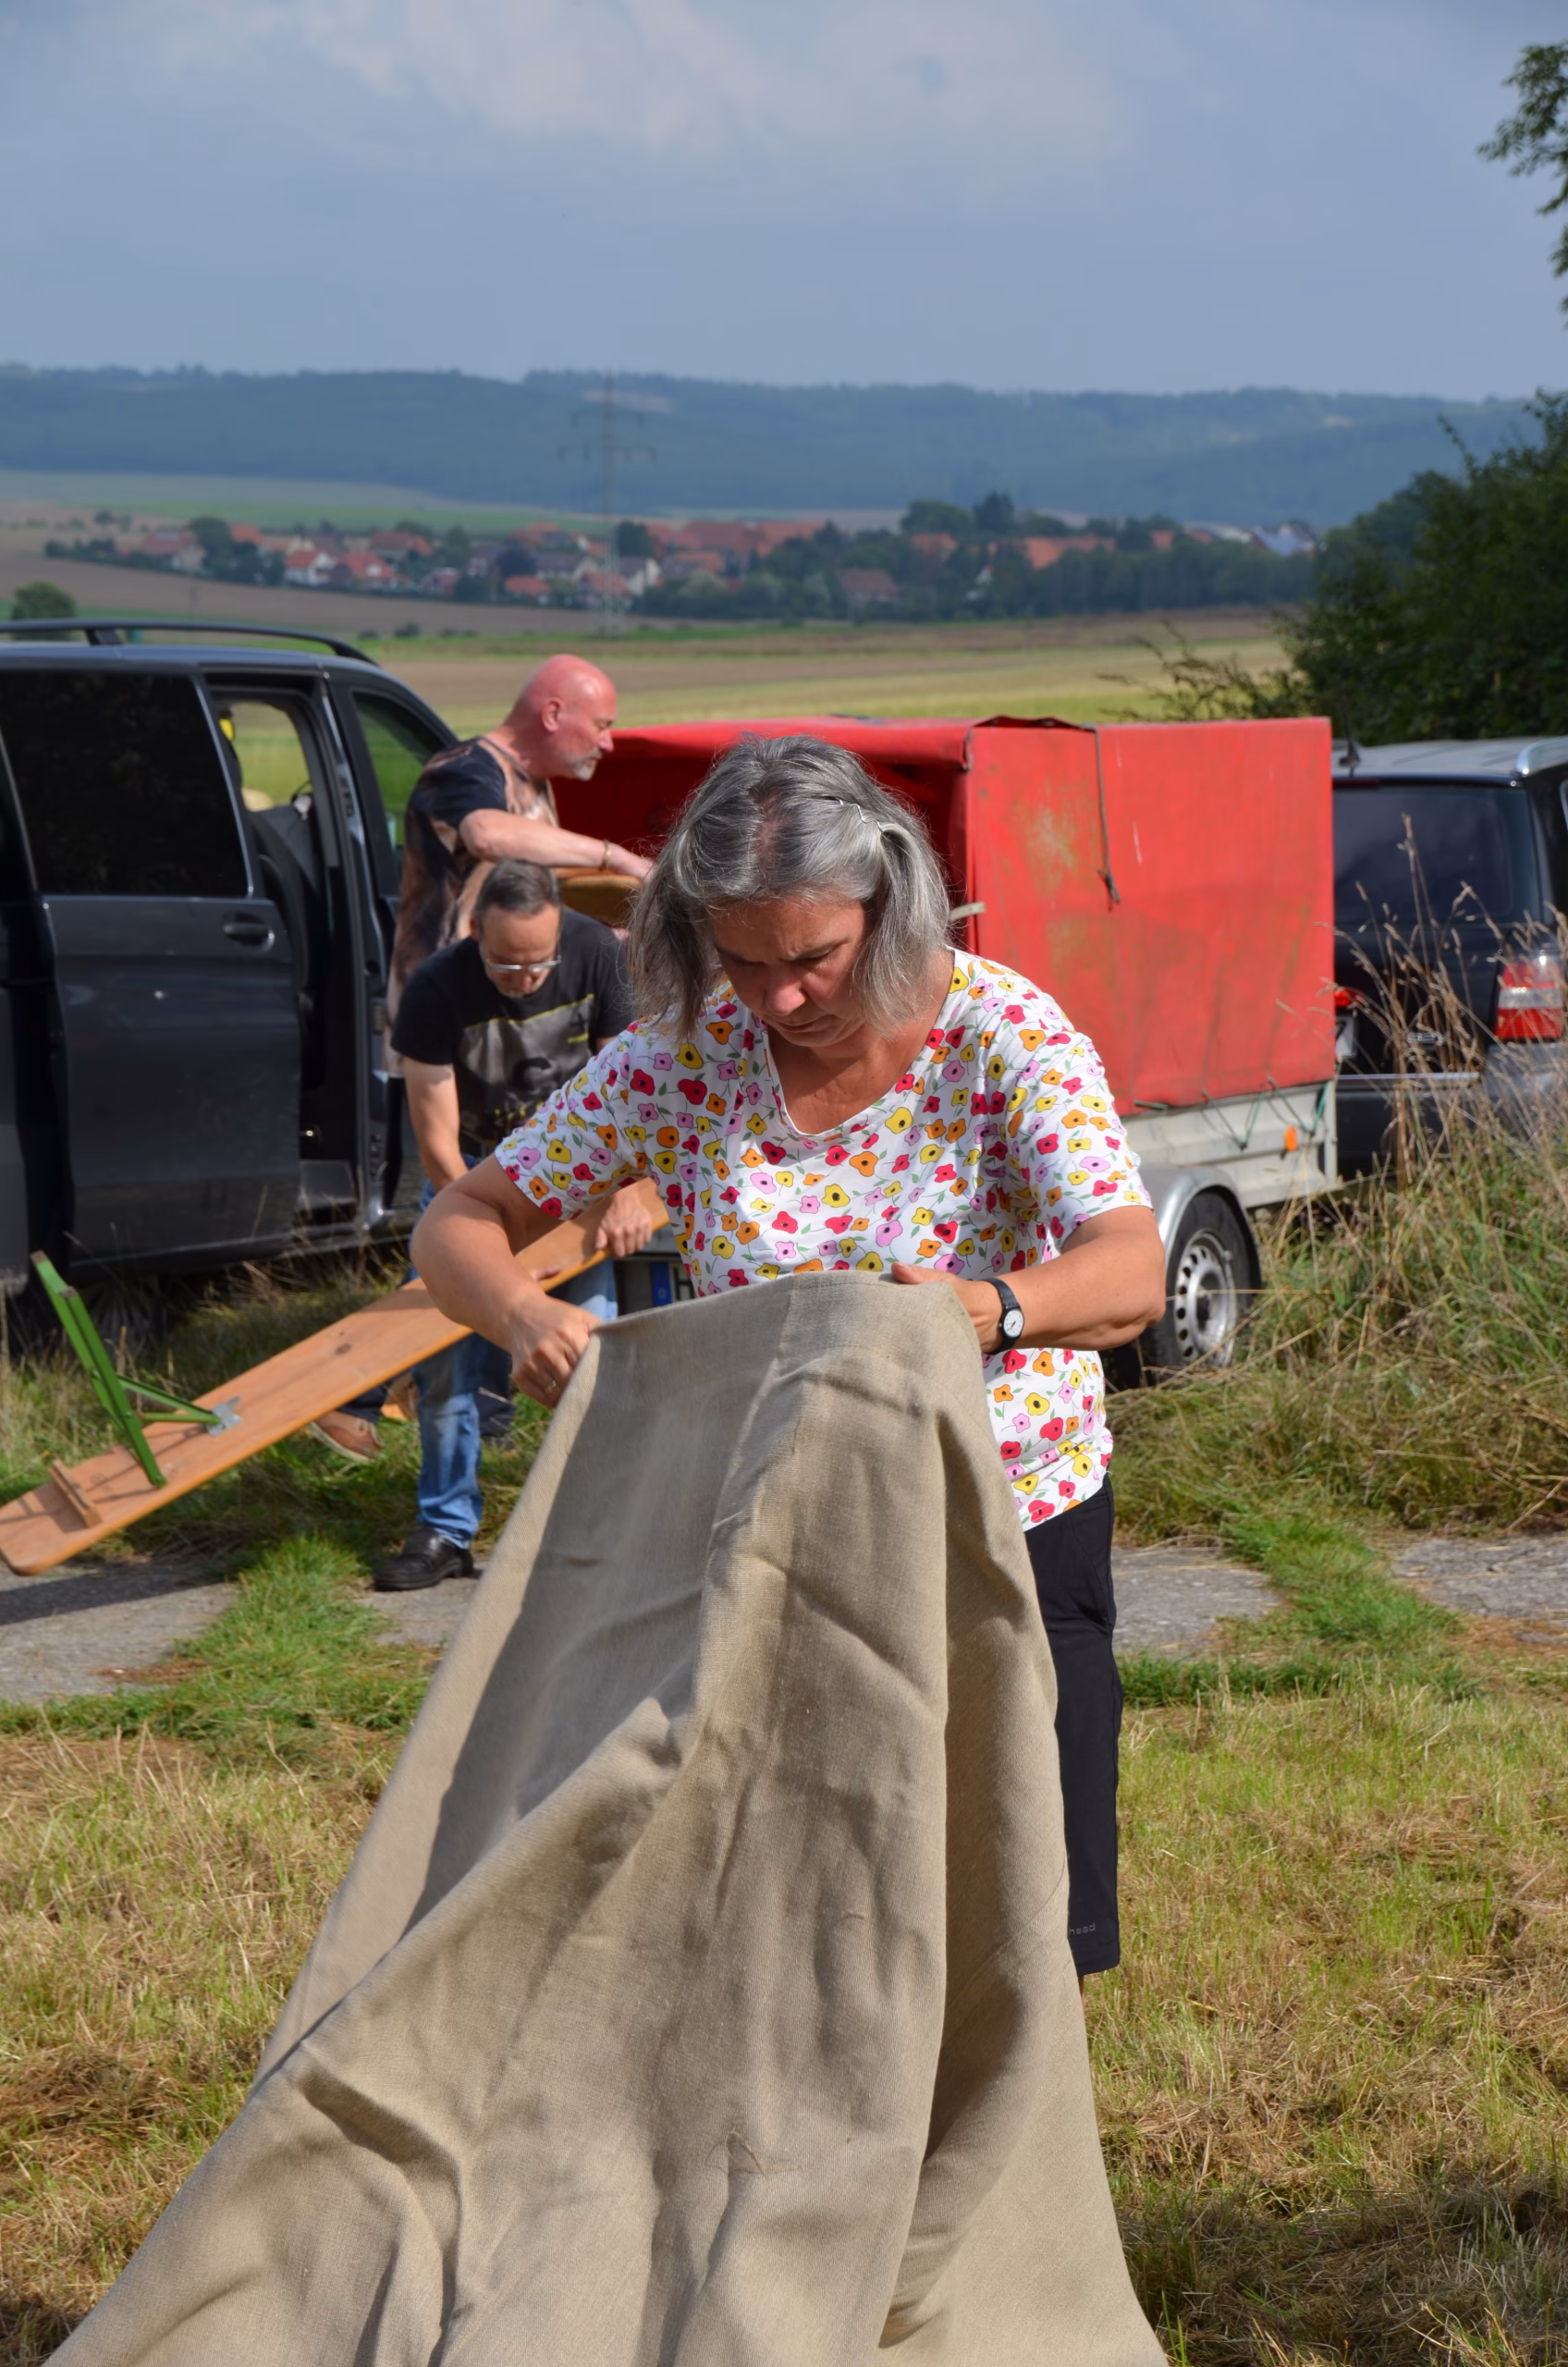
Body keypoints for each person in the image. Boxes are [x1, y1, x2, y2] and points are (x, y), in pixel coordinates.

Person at [410, 736, 1168, 1976]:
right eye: (744, 962)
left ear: (892, 901)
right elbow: (459, 1224)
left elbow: (1130, 1273)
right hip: (784, 1527)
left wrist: (989, 1308)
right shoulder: (682, 1058)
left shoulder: (1001, 1035)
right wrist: (522, 1317)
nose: (782, 1000)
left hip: (1005, 1525)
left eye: (814, 957)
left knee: (1021, 1892)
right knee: (814, 1888)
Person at [371, 858, 662, 1591]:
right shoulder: (435, 989)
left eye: (538, 964)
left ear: (560, 931)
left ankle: (588, 1536)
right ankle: (445, 1529)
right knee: (443, 1364)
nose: (526, 978)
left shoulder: (598, 953)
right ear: (475, 935)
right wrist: (490, 1249)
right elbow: (436, 1142)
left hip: (584, 1183)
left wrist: (628, 1189)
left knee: (589, 1353)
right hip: (477, 1180)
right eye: (505, 966)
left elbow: (631, 1090)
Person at [389, 652, 652, 1011]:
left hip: (508, 1016)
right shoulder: (463, 769)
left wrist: (611, 940)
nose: (607, 743)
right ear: (553, 715)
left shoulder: (535, 783)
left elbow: (531, 896)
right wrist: (617, 857)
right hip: (445, 1013)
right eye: (600, 726)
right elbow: (486, 834)